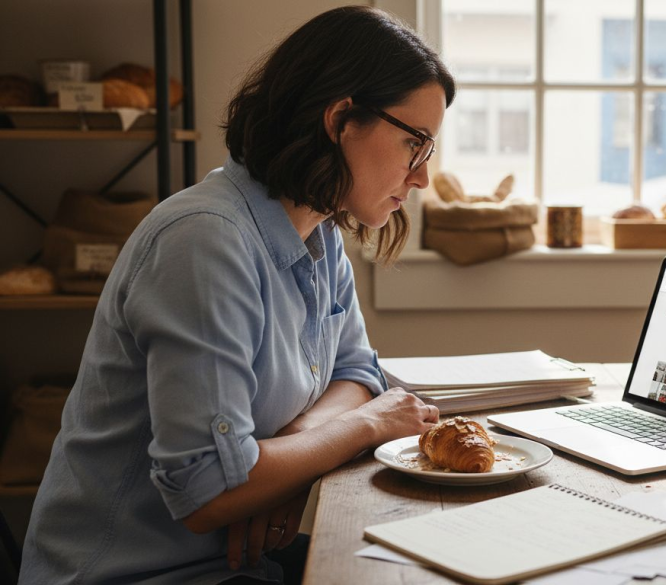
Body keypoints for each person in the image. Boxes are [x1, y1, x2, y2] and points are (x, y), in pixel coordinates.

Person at [20, 6, 455, 584]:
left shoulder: (319, 231)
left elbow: (357, 373)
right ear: (341, 118)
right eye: (416, 144)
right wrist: (364, 427)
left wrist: (293, 455)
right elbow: (208, 488)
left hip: (239, 564)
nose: (422, 176)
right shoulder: (203, 242)